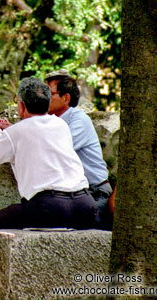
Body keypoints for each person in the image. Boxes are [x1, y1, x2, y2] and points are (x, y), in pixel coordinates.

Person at [0, 77, 97, 229]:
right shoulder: (61, 124)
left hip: (50, 207)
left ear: (21, 105)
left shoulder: (16, 132)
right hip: (85, 205)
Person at [44, 70, 113, 230]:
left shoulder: (78, 119)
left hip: (95, 193)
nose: (43, 98)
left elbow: (56, 148)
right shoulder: (51, 121)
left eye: (49, 93)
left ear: (65, 98)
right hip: (73, 195)